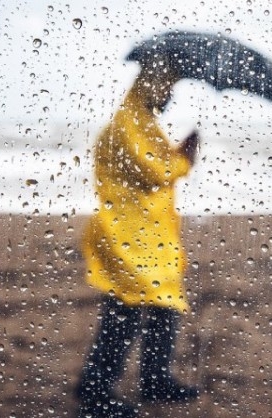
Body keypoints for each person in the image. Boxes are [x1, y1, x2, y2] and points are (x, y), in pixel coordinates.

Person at [75, 61, 200, 418]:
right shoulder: (128, 123)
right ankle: (96, 394)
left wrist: (179, 155)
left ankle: (154, 379)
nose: (170, 95)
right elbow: (154, 170)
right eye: (167, 87)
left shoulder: (142, 123)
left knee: (164, 306)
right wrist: (185, 157)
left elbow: (156, 163)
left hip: (148, 235)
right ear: (152, 84)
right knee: (125, 312)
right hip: (125, 236)